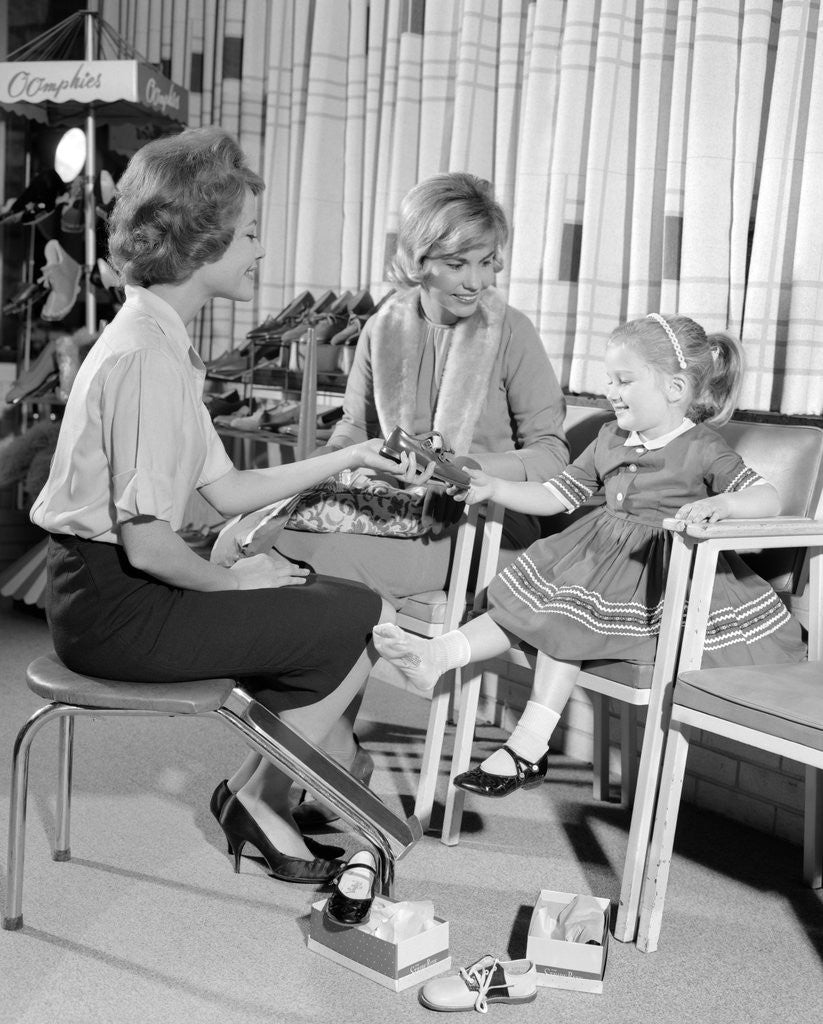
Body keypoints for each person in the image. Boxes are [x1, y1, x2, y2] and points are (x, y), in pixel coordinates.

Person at [29, 126, 406, 883]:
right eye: (249, 234)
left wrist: (347, 457)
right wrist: (238, 582)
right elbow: (147, 545)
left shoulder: (158, 340)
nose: (260, 251)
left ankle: (291, 787)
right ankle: (263, 797)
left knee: (343, 605)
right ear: (199, 243)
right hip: (113, 610)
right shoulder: (145, 356)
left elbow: (225, 489)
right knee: (347, 614)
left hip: (117, 590)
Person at [371, 313, 806, 797]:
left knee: (567, 615)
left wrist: (722, 504)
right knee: (526, 602)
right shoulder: (608, 438)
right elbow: (558, 494)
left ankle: (527, 746)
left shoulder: (703, 448)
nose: (611, 392)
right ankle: (438, 656)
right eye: (608, 381)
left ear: (676, 387)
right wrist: (493, 486)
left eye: (624, 381)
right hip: (598, 559)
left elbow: (767, 498)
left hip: (661, 579)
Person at [276, 171, 569, 605]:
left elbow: (552, 454)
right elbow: (354, 428)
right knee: (267, 537)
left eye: (486, 261)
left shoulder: (513, 331)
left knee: (324, 564)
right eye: (457, 264)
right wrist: (312, 475)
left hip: (486, 519)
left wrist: (469, 468)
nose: (476, 282)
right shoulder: (381, 328)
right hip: (394, 505)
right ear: (419, 260)